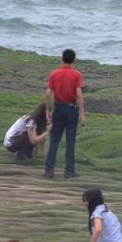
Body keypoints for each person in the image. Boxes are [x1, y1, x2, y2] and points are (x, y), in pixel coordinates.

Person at [44, 48, 85, 180]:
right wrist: (83, 115)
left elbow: (48, 94)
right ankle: (69, 171)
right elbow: (78, 95)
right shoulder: (77, 74)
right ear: (73, 60)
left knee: (54, 140)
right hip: (71, 109)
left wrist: (48, 110)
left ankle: (49, 170)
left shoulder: (54, 73)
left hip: (58, 108)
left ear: (62, 58)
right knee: (70, 141)